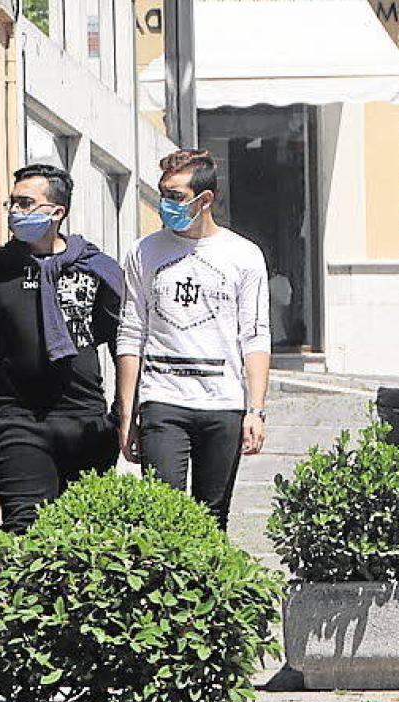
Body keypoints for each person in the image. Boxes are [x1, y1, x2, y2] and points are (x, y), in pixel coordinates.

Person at [0, 164, 124, 534]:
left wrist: (121, 417)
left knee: (83, 538)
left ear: (57, 212)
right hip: (19, 422)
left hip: (86, 423)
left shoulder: (98, 270)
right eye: (12, 203)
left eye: (27, 203)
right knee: (26, 530)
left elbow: (122, 345)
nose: (16, 212)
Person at [115, 149, 271, 531]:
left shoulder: (243, 256)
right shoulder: (144, 251)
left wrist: (256, 409)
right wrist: (126, 413)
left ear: (205, 200)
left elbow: (254, 335)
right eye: (163, 193)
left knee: (212, 516)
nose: (166, 204)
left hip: (223, 403)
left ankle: (210, 591)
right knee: (162, 518)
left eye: (176, 196)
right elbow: (131, 332)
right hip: (163, 400)